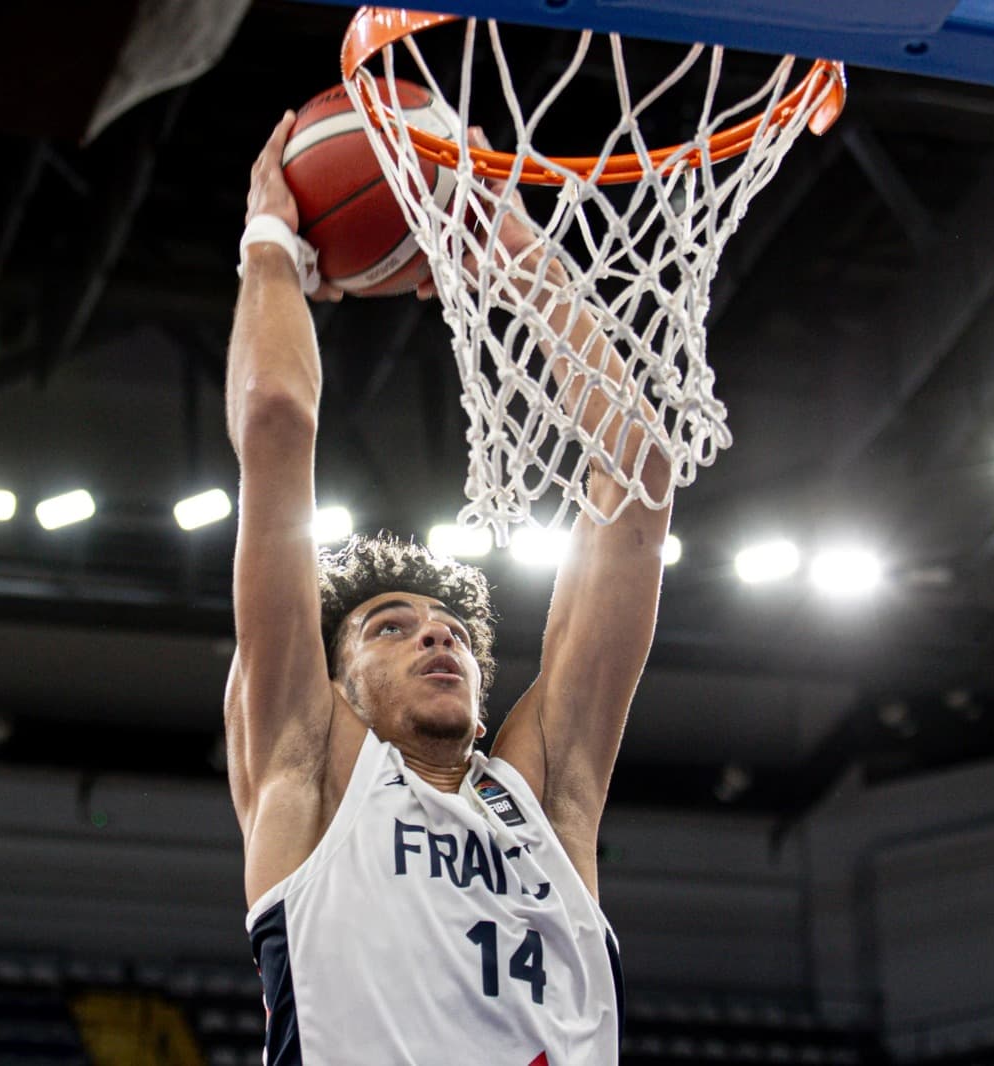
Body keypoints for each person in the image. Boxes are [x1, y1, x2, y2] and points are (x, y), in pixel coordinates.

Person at [225, 110, 673, 1065]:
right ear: (334, 684)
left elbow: (634, 464)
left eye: (452, 631)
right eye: (391, 627)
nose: (439, 639)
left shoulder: (549, 800)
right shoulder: (306, 772)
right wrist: (271, 250)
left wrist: (509, 246)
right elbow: (271, 418)